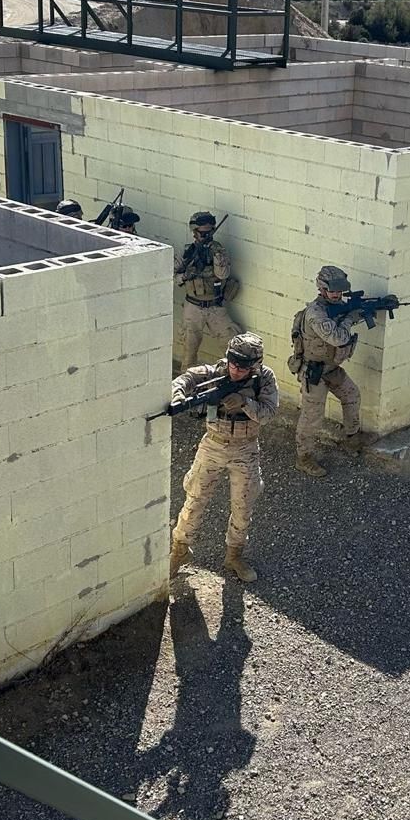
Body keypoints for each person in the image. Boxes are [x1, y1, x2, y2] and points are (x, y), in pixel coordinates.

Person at [169, 333, 279, 585]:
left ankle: (234, 555)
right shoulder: (216, 372)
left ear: (255, 365)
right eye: (233, 363)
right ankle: (179, 550)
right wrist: (178, 393)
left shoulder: (265, 379)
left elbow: (268, 413)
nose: (235, 370)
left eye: (243, 366)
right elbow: (187, 378)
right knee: (194, 498)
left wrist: (244, 403)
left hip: (245, 448)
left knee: (243, 506)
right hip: (213, 445)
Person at [290, 265, 374, 477]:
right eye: (333, 291)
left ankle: (352, 439)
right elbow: (338, 338)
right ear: (322, 289)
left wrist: (369, 308)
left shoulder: (336, 305)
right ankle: (304, 457)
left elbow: (349, 313)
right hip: (314, 373)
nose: (337, 295)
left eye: (340, 291)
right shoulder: (316, 313)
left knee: (352, 396)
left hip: (332, 368)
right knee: (312, 417)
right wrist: (350, 318)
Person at [173, 212, 240, 373]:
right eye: (202, 233)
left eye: (209, 232)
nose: (206, 236)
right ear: (194, 232)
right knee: (189, 351)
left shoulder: (218, 250)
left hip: (215, 305)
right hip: (193, 306)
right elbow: (174, 278)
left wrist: (217, 256)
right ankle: (186, 381)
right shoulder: (188, 252)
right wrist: (186, 275)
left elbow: (223, 275)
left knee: (232, 345)